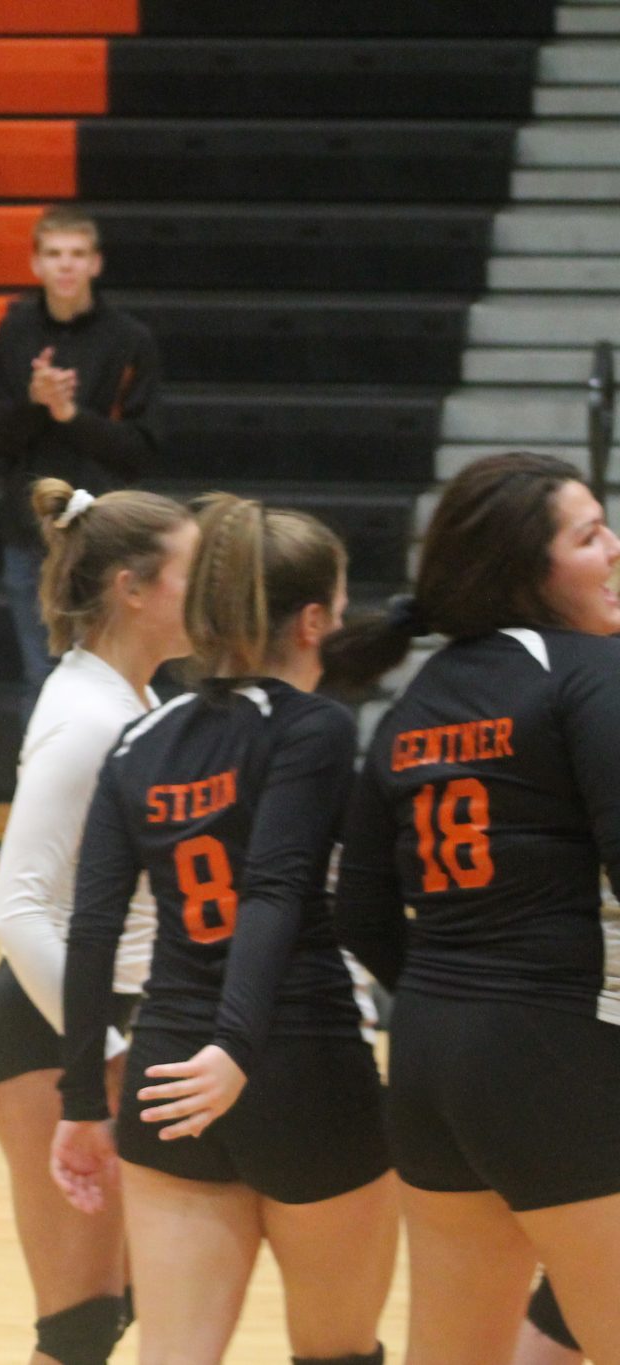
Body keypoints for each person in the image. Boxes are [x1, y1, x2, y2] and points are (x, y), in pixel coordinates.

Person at [51, 493, 397, 1364]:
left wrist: (82, 1102)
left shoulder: (140, 741)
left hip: (168, 1068)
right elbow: (277, 888)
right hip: (299, 1064)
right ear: (313, 618)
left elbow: (90, 927)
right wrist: (238, 1049)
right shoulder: (312, 726)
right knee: (338, 1353)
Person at [332, 451, 620, 1363]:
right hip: (554, 1047)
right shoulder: (587, 673)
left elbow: (360, 910)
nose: (614, 548)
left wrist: (458, 998)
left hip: (429, 1057)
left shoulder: (414, 702)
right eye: (590, 534)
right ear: (529, 571)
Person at [0, 479, 194, 1365]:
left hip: (102, 1023)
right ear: (132, 588)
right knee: (80, 1327)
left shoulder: (132, 699)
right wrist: (95, 1050)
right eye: (192, 570)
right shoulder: (87, 718)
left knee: (132, 1296)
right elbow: (15, 905)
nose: (211, 587)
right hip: (45, 1038)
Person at [0, 206, 162, 718]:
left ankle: (113, 793)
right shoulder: (13, 332)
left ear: (96, 263)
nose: (66, 266)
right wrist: (35, 405)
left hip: (105, 539)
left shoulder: (130, 340)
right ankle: (44, 793)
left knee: (113, 675)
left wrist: (70, 415)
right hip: (30, 533)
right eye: (55, 254)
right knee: (40, 679)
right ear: (36, 263)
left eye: (77, 254)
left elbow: (141, 452)